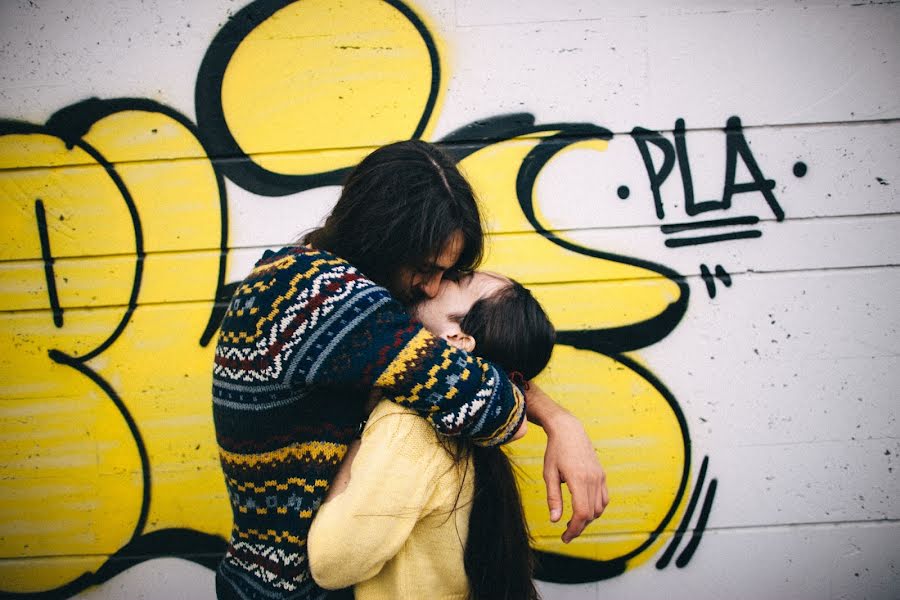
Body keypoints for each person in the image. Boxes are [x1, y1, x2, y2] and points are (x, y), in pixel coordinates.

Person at [212, 140, 608, 600]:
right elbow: (483, 402)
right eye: (425, 269)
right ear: (378, 238)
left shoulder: (317, 282)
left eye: (449, 273)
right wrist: (556, 420)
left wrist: (558, 418)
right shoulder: (317, 295)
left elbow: (443, 359)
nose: (433, 286)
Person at [309, 271, 553, 600]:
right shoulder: (467, 423)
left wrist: (357, 435)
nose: (439, 280)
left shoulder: (411, 425)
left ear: (458, 339)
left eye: (460, 280)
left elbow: (331, 564)